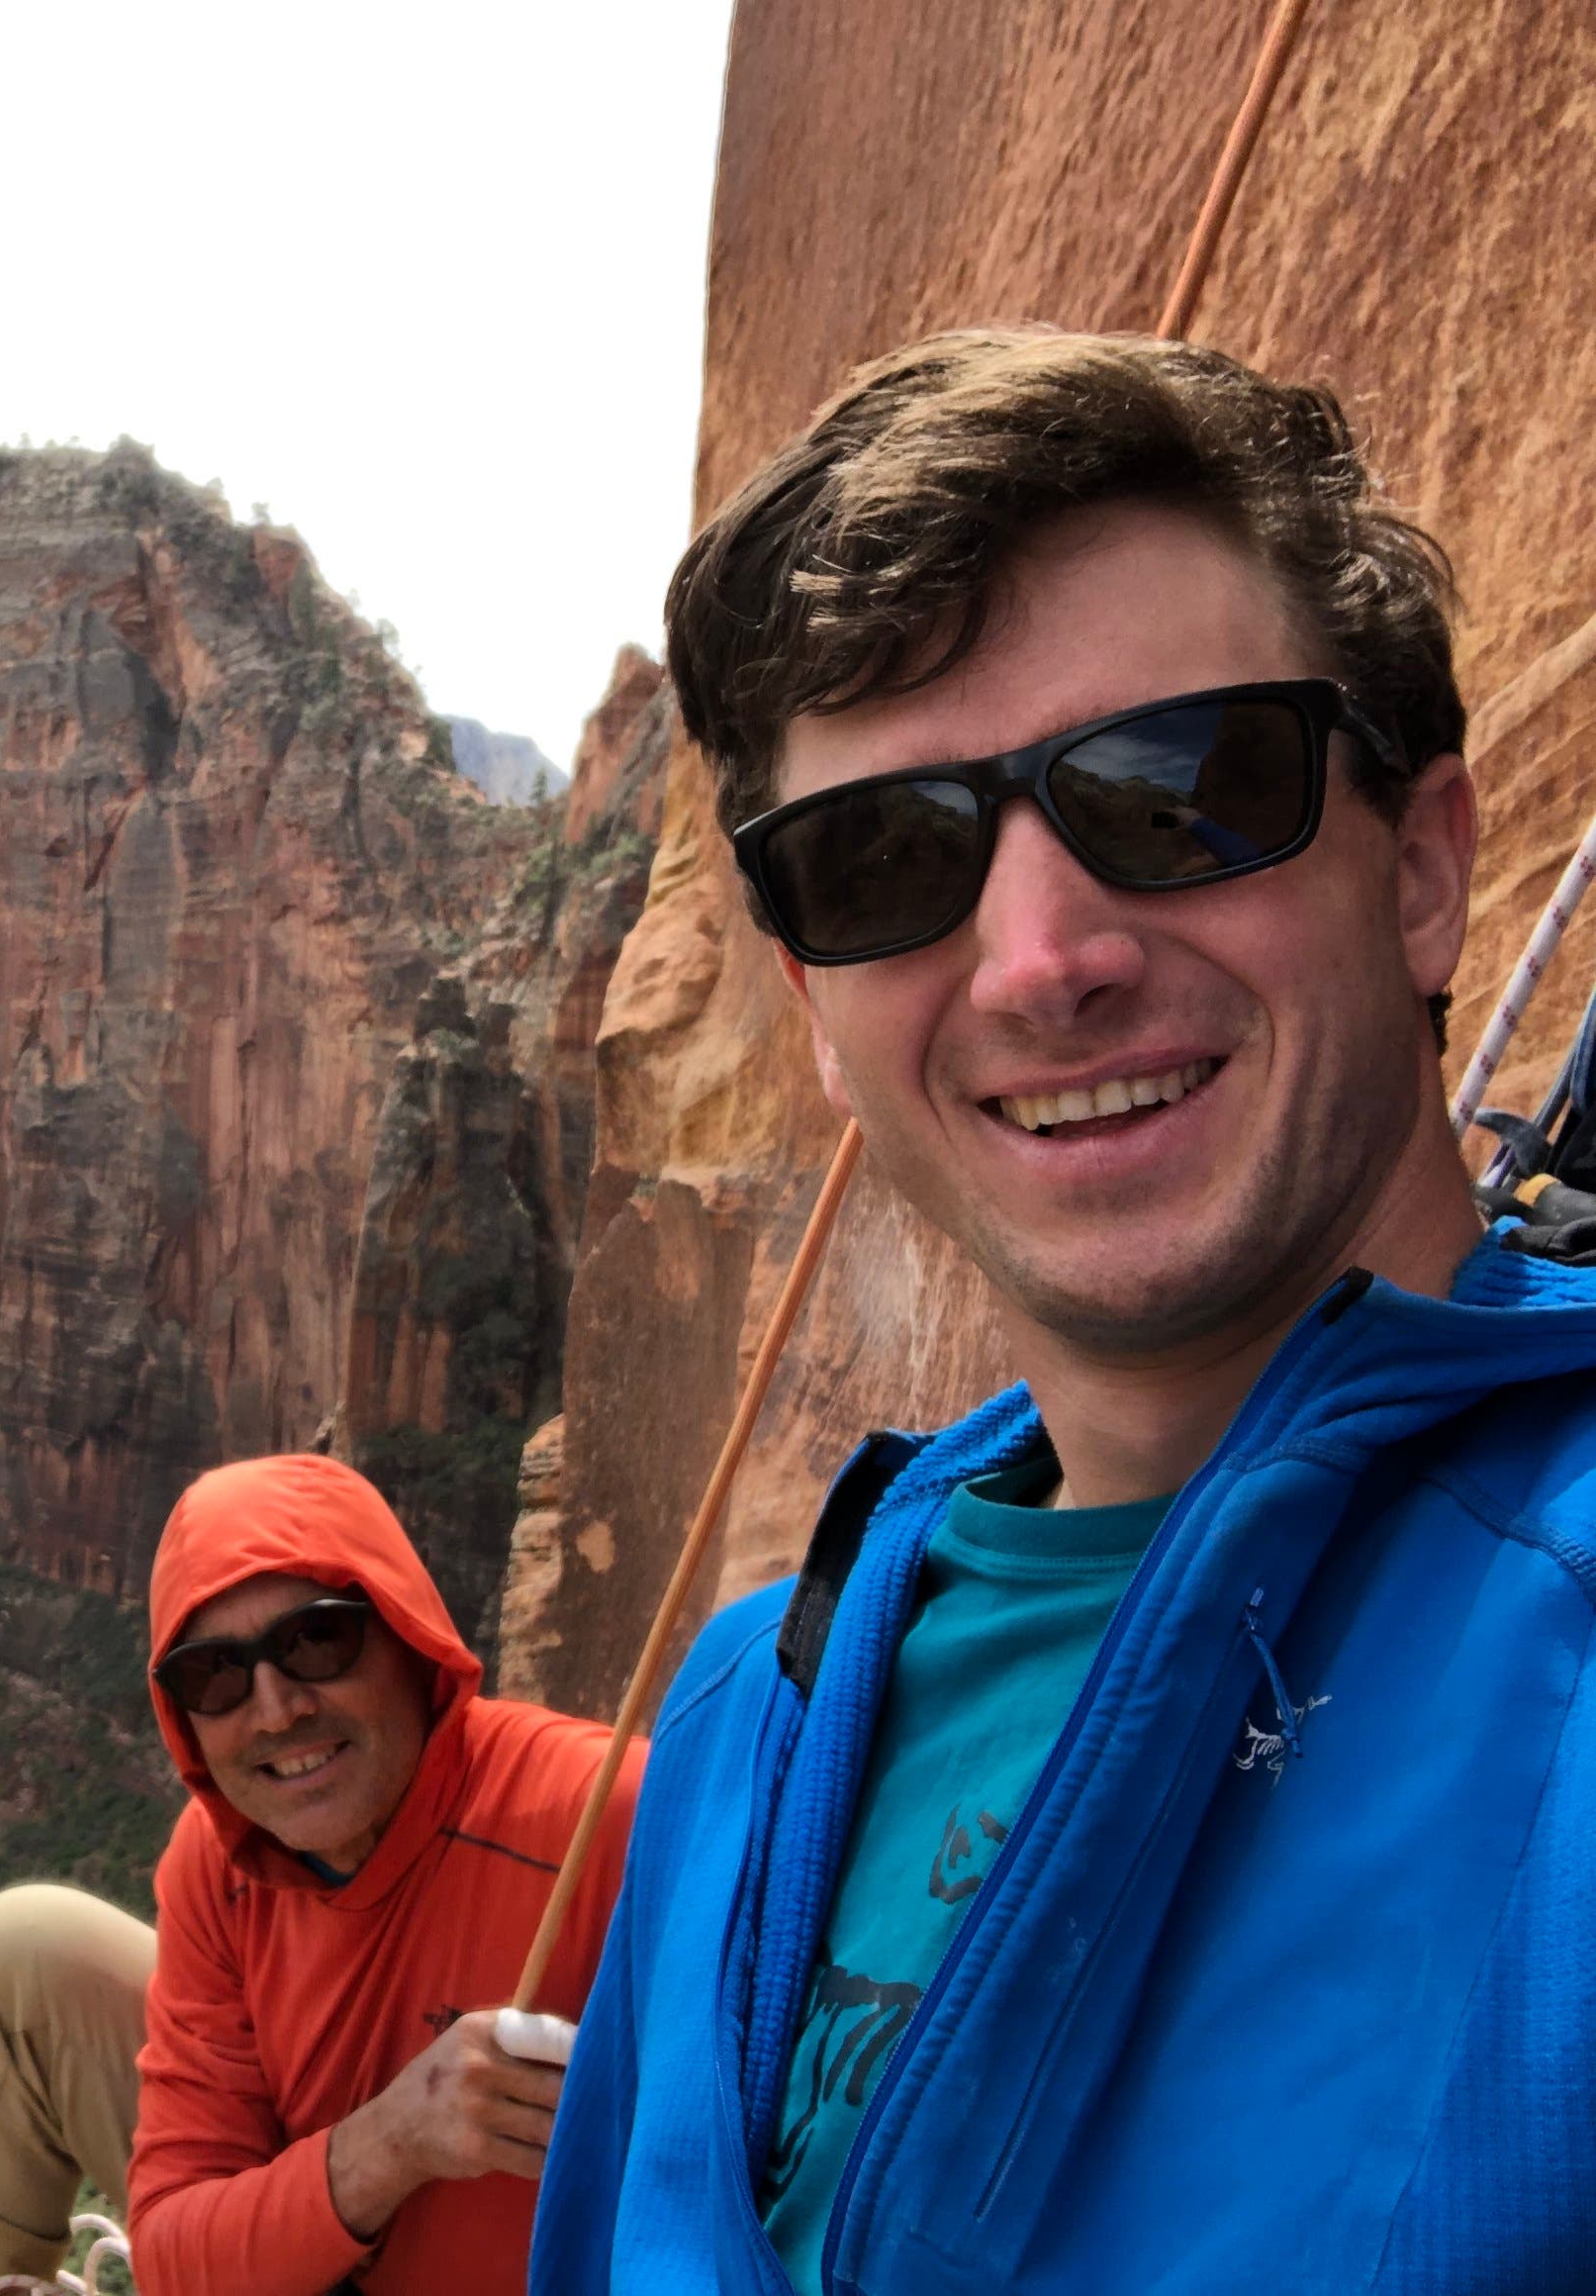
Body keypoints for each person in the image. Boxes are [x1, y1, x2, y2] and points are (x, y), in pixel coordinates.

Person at [528, 326, 1596, 2295]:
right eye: (879, 857)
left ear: (1424, 869)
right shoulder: (738, 1721)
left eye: (1178, 787)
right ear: (818, 1034)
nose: (1039, 958)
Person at [0, 1451, 643, 2294]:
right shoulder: (220, 1859)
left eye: (318, 1639)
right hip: (317, 2248)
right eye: (215, 1676)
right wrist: (394, 2140)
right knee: (20, 1954)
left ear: (406, 1638)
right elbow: (173, 2252)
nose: (277, 1711)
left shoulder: (601, 1819)